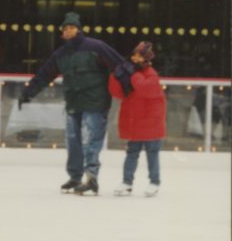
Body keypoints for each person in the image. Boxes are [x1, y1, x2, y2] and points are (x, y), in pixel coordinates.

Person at [18, 11, 128, 195]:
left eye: (72, 28)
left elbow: (119, 65)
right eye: (65, 28)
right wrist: (28, 93)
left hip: (95, 101)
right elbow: (45, 75)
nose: (68, 31)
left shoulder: (96, 46)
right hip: (74, 102)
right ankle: (75, 177)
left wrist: (128, 85)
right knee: (73, 140)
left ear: (78, 29)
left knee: (91, 140)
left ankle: (91, 178)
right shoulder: (61, 54)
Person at [108, 42, 166, 197]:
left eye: (139, 56)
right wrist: (115, 76)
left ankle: (154, 182)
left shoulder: (151, 75)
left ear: (146, 59)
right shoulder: (131, 73)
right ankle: (127, 182)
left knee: (152, 154)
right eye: (134, 55)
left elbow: (145, 89)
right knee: (131, 153)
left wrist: (133, 74)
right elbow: (118, 93)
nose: (134, 58)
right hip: (136, 122)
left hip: (150, 123)